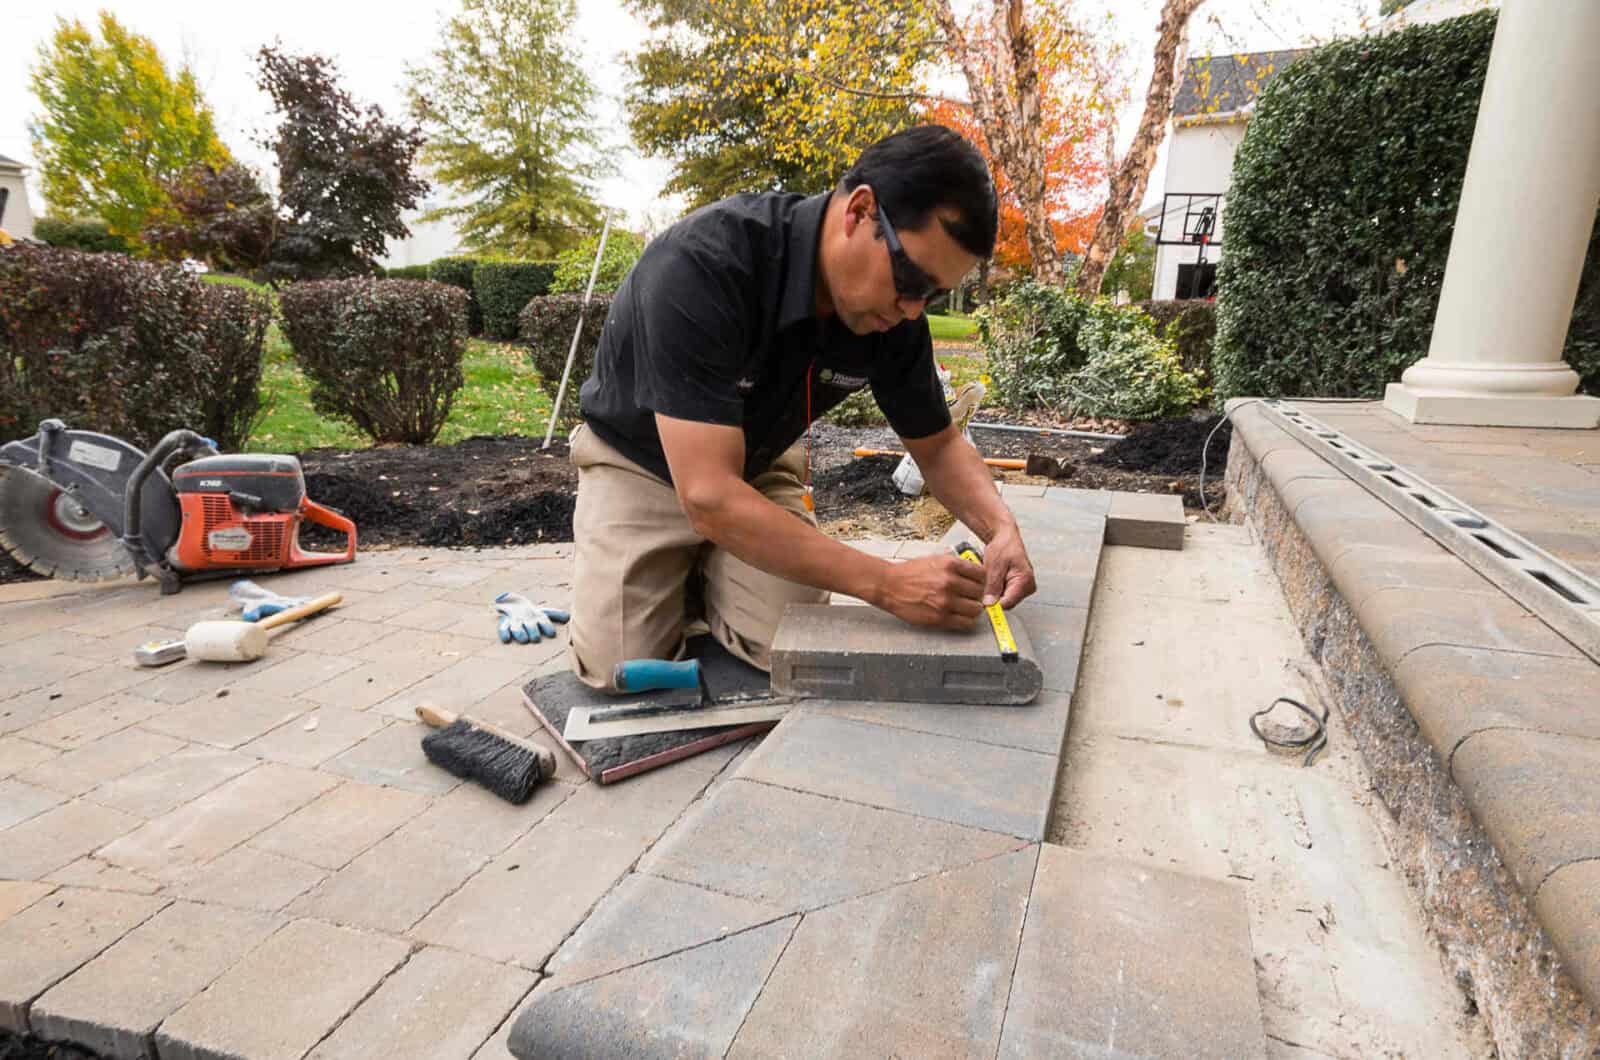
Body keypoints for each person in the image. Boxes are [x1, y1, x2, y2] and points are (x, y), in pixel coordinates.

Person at [567, 125, 1036, 690]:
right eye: (911, 279)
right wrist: (886, 584)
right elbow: (709, 495)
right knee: (618, 669)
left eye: (933, 294)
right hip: (639, 464)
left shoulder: (894, 316)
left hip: (754, 466)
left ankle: (710, 569)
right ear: (860, 212)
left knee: (790, 646)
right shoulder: (702, 265)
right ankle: (683, 571)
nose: (914, 310)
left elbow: (935, 443)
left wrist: (999, 528)